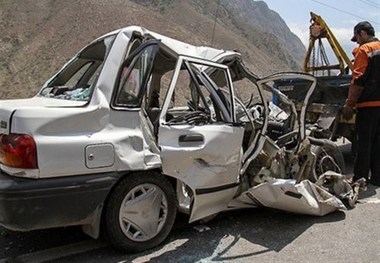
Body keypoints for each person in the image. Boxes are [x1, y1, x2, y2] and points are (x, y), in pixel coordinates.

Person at [342, 21, 380, 186]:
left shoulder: (365, 50)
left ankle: (359, 179)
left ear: (363, 33)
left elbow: (357, 80)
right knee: (378, 142)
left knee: (363, 143)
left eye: (357, 37)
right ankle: (377, 178)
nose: (357, 41)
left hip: (368, 105)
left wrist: (349, 105)